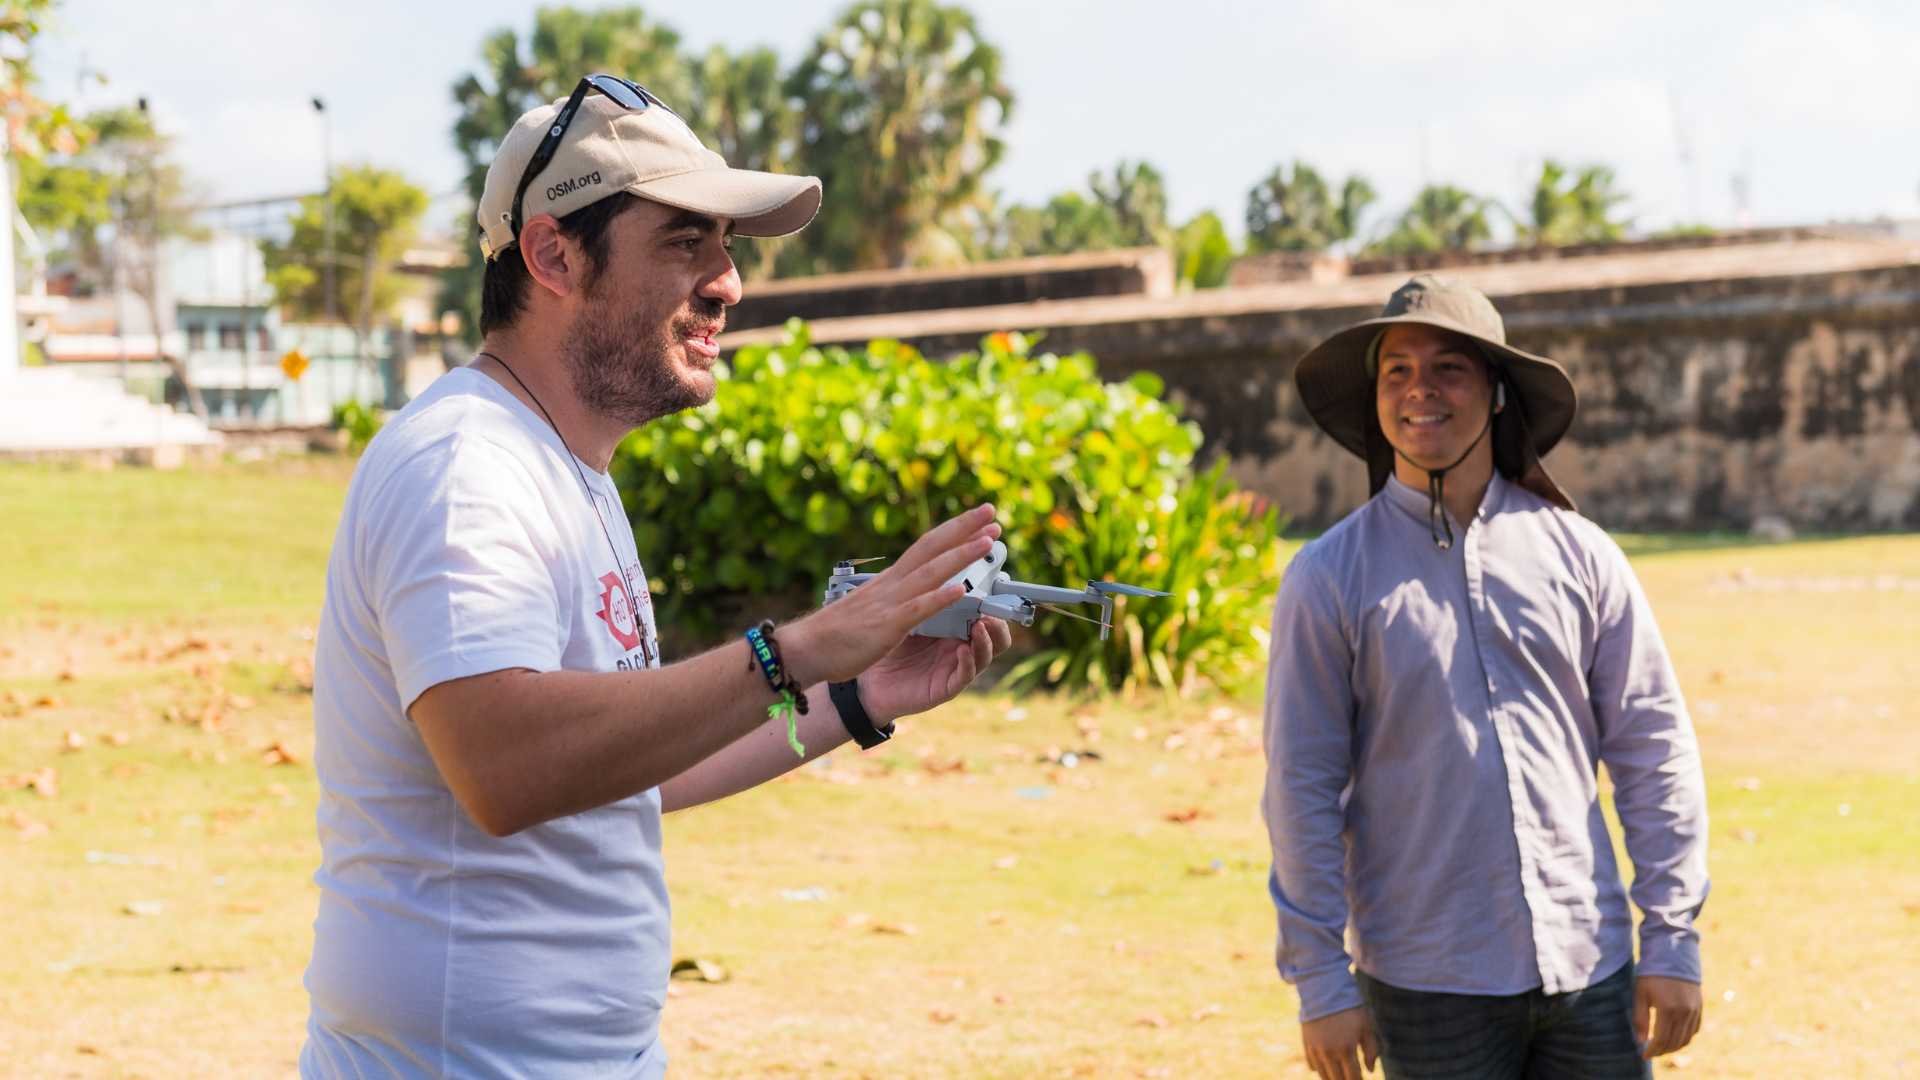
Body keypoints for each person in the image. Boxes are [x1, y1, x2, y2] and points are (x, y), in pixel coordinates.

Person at [300, 74, 1011, 1078]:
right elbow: (504, 766)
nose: (727, 281)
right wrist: (793, 649)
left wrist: (851, 698)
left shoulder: (565, 468)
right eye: (686, 242)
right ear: (552, 253)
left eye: (726, 247)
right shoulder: (466, 468)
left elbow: (635, 770)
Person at [1261, 275, 1710, 1079]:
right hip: (1427, 983)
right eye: (1396, 371)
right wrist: (1321, 979)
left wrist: (1672, 935)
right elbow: (1301, 783)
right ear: (1375, 399)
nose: (1420, 390)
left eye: (1450, 368)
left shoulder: (1580, 554)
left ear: (1498, 393)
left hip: (1589, 966)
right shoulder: (1329, 577)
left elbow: (1654, 747)